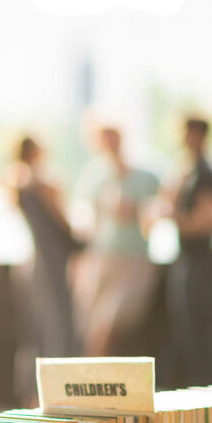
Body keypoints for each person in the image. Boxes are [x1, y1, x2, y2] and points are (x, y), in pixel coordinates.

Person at [73, 126, 160, 356]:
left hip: (133, 259)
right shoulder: (94, 176)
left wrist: (138, 213)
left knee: (113, 323)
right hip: (102, 258)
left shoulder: (148, 175)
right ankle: (90, 377)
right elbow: (86, 220)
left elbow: (160, 212)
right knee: (95, 324)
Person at [4, 135, 82, 357]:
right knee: (60, 317)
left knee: (41, 320)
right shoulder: (45, 184)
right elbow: (63, 224)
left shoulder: (17, 184)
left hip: (37, 258)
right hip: (54, 257)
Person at [165, 116, 212, 385]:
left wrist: (171, 217)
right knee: (186, 332)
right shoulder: (188, 172)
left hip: (200, 264)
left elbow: (204, 221)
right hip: (186, 261)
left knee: (201, 334)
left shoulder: (206, 174)